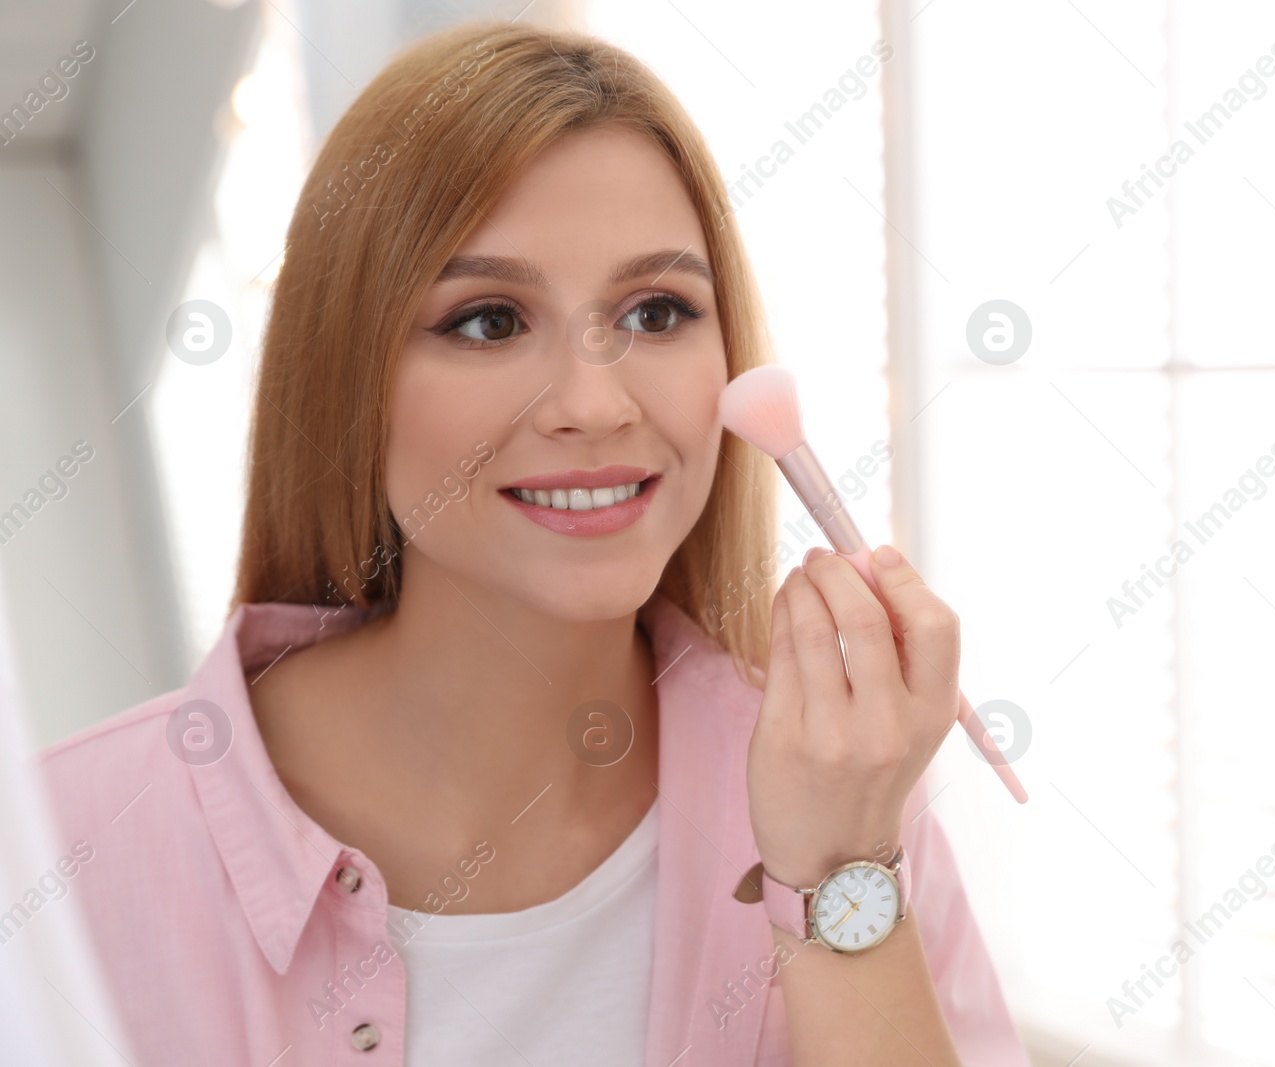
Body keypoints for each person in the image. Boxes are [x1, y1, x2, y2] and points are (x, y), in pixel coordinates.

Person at [34, 22, 1028, 1066]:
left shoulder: (848, 793)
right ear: (344, 378)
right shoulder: (63, 847)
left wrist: (838, 874)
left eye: (655, 310)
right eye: (488, 322)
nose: (594, 404)